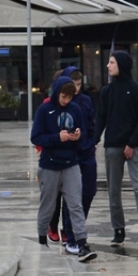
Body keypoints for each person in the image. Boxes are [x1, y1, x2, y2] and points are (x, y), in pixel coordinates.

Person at [31, 77, 97, 262]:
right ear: (57, 92)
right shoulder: (44, 110)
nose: (66, 101)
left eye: (69, 97)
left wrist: (77, 137)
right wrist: (57, 138)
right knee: (48, 205)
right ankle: (42, 239)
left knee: (75, 203)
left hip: (71, 163)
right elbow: (36, 137)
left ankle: (82, 242)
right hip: (50, 164)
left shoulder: (75, 109)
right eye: (63, 96)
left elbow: (82, 132)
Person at [97, 51, 138, 248]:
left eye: (111, 62)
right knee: (113, 190)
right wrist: (92, 140)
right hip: (113, 145)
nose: (108, 66)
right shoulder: (107, 91)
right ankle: (118, 229)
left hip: (134, 146)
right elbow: (101, 119)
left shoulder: (137, 89)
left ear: (121, 64)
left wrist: (132, 144)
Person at [58, 67, 97, 254]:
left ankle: (76, 225)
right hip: (70, 154)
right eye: (74, 85)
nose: (77, 89)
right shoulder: (61, 103)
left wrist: (91, 142)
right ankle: (71, 234)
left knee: (89, 191)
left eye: (80, 85)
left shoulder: (86, 101)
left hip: (87, 151)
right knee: (72, 195)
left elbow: (91, 124)